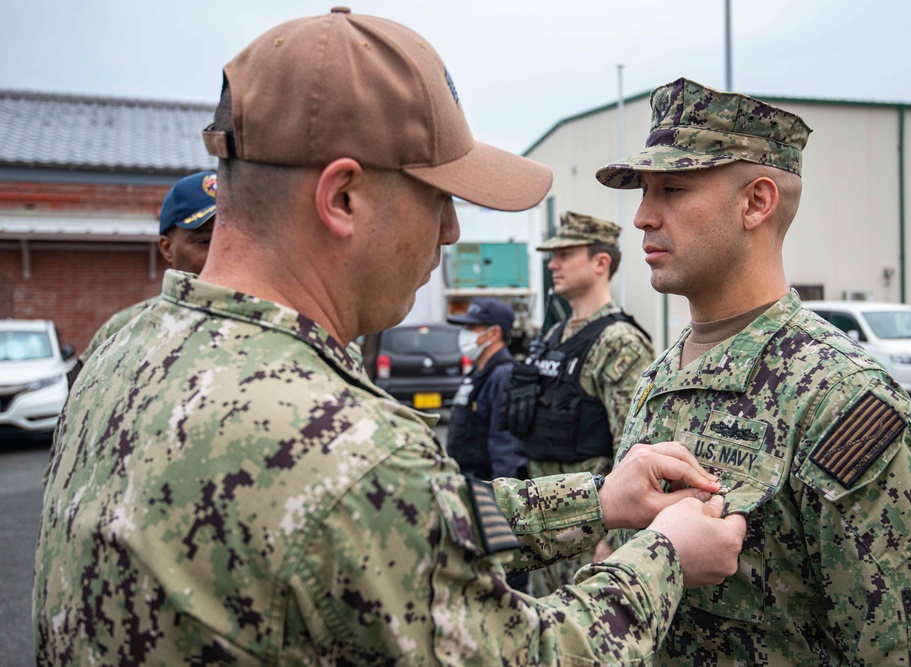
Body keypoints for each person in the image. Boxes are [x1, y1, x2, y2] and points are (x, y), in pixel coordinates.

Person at [32, 12, 746, 665]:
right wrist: (662, 557)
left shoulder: (123, 344)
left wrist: (597, 498)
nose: (451, 231)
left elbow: (398, 524)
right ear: (342, 197)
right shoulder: (351, 449)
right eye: (436, 198)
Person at [597, 77, 911, 664]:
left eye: (671, 189)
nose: (643, 218)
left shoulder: (840, 398)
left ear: (757, 202)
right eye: (644, 193)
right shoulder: (659, 376)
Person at [503, 211, 655, 597]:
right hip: (545, 526)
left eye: (565, 254)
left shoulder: (618, 342)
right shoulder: (553, 334)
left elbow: (635, 448)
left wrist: (617, 542)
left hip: (590, 535)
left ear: (600, 262)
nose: (552, 264)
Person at [77, 170, 216, 366]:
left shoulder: (270, 319)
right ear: (167, 248)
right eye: (205, 241)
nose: (224, 252)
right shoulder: (123, 331)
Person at [446, 297, 524, 480]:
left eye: (472, 328)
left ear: (494, 333)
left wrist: (501, 499)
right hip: (467, 479)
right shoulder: (478, 371)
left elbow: (505, 445)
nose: (465, 334)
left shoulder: (504, 375)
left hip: (485, 485)